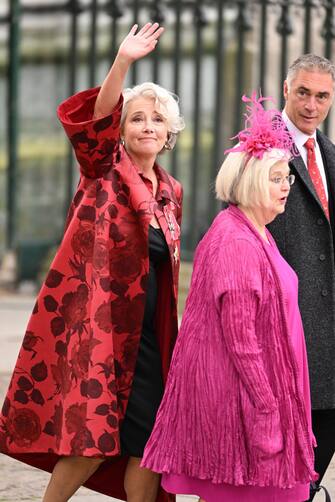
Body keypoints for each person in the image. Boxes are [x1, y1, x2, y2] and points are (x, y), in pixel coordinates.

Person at [0, 23, 184, 502]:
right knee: (93, 442)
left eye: (157, 121)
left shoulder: (170, 193)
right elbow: (97, 119)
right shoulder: (104, 168)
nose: (148, 126)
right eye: (138, 118)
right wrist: (123, 62)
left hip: (149, 341)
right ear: (120, 130)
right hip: (101, 336)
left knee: (148, 443)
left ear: (169, 135)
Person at [141, 93, 317, 502]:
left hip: (265, 397)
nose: (285, 187)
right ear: (252, 181)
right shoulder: (234, 240)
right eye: (276, 178)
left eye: (286, 178)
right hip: (246, 406)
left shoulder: (256, 231)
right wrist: (268, 410)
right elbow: (241, 340)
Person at [267, 54, 335, 500]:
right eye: (304, 92)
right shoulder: (258, 148)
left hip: (328, 323)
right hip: (286, 317)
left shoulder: (329, 154)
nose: (312, 104)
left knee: (326, 425)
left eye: (322, 95)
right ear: (287, 91)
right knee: (285, 440)